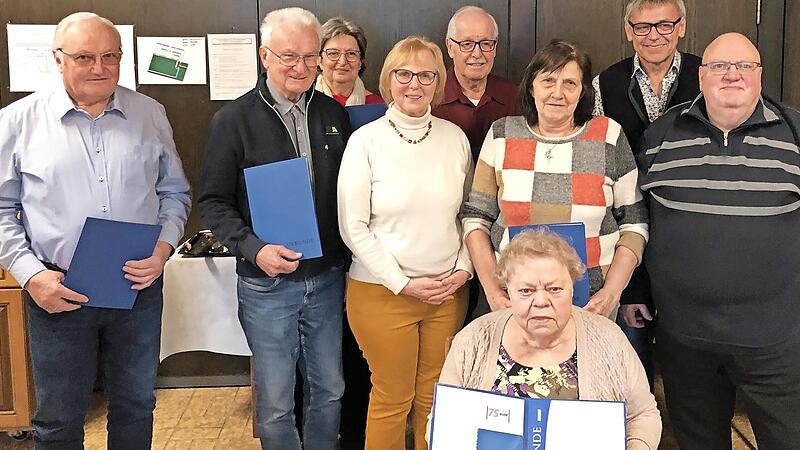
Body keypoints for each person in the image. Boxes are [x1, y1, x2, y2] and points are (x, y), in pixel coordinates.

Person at [0, 12, 191, 449]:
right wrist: (31, 275)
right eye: (85, 57)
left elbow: (175, 192)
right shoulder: (17, 122)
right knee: (59, 418)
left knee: (136, 405)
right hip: (58, 289)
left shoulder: (149, 113)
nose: (100, 68)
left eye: (111, 56)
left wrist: (163, 250)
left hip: (137, 288)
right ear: (58, 58)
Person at [198, 7, 351, 450]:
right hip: (266, 283)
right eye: (289, 56)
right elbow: (213, 203)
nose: (301, 67)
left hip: (326, 278)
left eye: (310, 56)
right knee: (276, 403)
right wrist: (254, 248)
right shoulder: (233, 120)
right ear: (264, 56)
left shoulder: (332, 114)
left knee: (330, 390)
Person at [638, 32, 800, 450]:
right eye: (719, 66)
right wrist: (635, 292)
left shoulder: (795, 133)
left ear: (760, 75)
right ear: (701, 76)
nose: (732, 75)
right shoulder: (661, 135)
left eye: (744, 66)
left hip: (775, 341)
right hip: (684, 338)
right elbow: (638, 220)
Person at [337, 36, 473, 450]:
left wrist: (464, 270)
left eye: (426, 75)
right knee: (392, 397)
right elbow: (353, 227)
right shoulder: (365, 141)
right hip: (382, 293)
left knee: (435, 395)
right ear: (388, 79)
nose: (415, 84)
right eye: (404, 74)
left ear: (438, 82)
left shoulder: (455, 138)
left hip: (447, 294)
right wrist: (403, 283)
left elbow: (471, 214)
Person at [461, 40, 649, 320]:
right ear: (531, 86)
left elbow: (634, 224)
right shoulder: (502, 134)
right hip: (513, 303)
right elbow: (476, 220)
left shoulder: (608, 135)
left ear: (583, 91)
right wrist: (493, 292)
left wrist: (611, 293)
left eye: (570, 83)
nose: (557, 93)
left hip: (592, 304)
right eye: (548, 81)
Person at [436, 230, 661, 450]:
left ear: (572, 289)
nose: (541, 301)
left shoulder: (608, 338)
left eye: (554, 289)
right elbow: (441, 421)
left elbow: (643, 414)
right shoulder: (475, 339)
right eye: (526, 290)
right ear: (508, 291)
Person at [592, 0, 700, 387]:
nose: (653, 35)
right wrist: (630, 287)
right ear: (629, 31)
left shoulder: (707, 75)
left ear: (681, 26)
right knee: (630, 363)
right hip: (627, 227)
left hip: (691, 233)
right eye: (642, 27)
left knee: (690, 368)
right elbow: (600, 165)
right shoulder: (605, 84)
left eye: (664, 25)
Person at [432, 5, 520, 160]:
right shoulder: (430, 96)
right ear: (450, 47)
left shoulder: (515, 97)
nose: (477, 53)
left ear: (495, 48)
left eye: (486, 43)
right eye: (467, 44)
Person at [315, 16, 383, 106]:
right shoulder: (302, 102)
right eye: (333, 53)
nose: (342, 61)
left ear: (360, 62)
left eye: (351, 53)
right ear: (319, 60)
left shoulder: (377, 106)